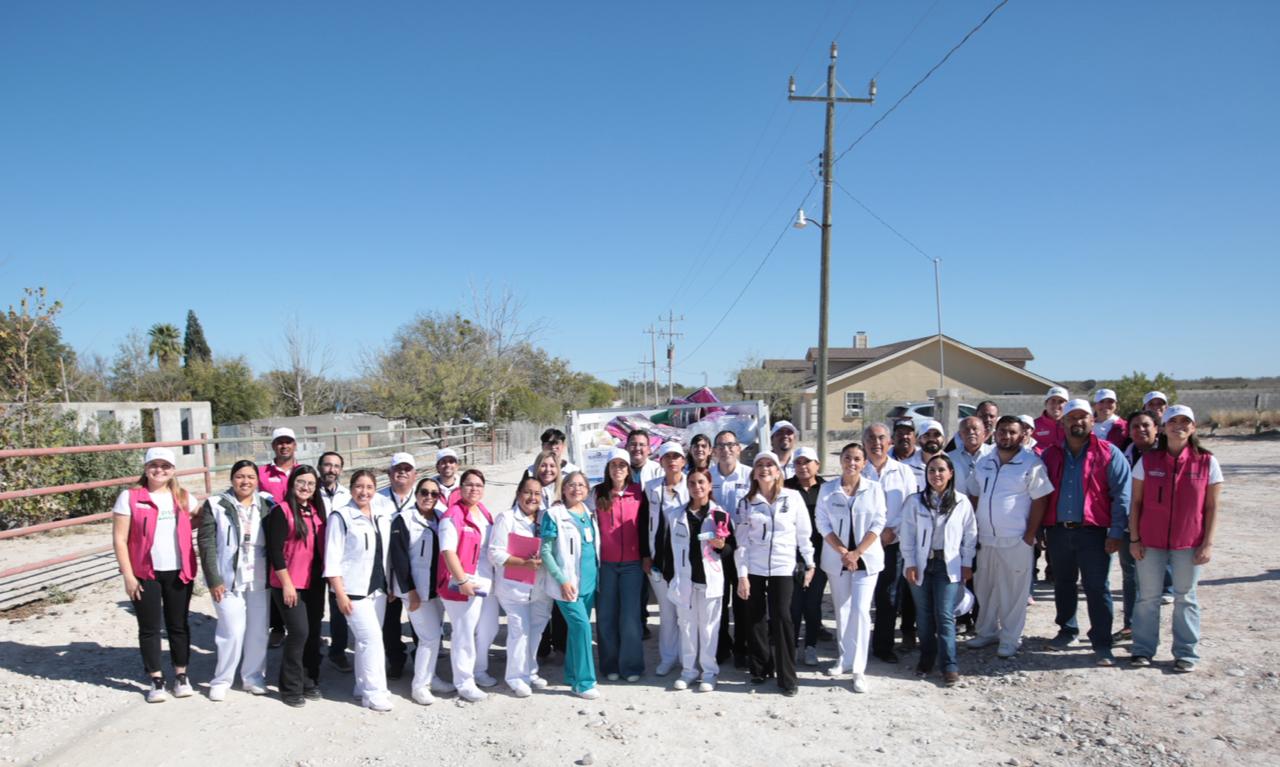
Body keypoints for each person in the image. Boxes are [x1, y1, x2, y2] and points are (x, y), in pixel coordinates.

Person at [1128, 406, 1222, 672]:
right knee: (1148, 597)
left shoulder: (1207, 462)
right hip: (1150, 541)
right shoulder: (1148, 461)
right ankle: (1142, 649)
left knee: (1185, 597)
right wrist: (1134, 538)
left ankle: (1186, 653)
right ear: (1163, 427)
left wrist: (1207, 543)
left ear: (1193, 427)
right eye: (1173, 421)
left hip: (1189, 543)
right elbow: (1136, 503)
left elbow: (1212, 507)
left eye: (1185, 421)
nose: (1178, 426)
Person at [1039, 399, 1131, 666]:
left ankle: (1101, 642)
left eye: (1083, 417)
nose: (1077, 422)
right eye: (1071, 418)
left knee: (1096, 587)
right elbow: (1040, 493)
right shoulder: (1050, 454)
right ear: (1063, 423)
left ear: (1092, 420)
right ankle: (1067, 630)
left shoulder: (1109, 453)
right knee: (1063, 583)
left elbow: (1121, 495)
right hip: (1058, 531)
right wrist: (1041, 527)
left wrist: (1116, 531)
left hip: (1094, 532)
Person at [111, 447, 199, 703]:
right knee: (149, 627)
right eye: (154, 465)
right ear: (146, 468)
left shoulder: (183, 497)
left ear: (173, 470)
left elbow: (200, 518)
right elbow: (119, 539)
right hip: (144, 572)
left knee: (178, 625)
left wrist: (186, 527)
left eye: (165, 466)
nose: (159, 470)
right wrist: (128, 575)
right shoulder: (130, 497)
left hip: (179, 570)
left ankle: (181, 675)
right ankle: (156, 679)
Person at [964, 416, 1054, 658]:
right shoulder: (984, 461)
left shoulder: (1031, 463)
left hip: (1016, 540)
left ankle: (1011, 638)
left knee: (1013, 593)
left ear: (1022, 435)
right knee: (985, 588)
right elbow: (974, 494)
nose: (1006, 436)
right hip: (985, 539)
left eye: (1012, 432)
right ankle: (986, 632)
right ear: (995, 434)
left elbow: (1040, 500)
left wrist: (1029, 535)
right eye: (1002, 431)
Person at [735, 451, 815, 696]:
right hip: (755, 567)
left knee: (782, 618)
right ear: (754, 473)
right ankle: (760, 668)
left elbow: (804, 534)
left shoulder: (792, 498)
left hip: (783, 566)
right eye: (760, 465)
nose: (764, 468)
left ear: (778, 471)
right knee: (756, 618)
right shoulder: (746, 502)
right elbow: (742, 542)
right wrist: (742, 575)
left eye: (770, 464)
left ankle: (787, 677)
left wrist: (809, 563)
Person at [198, 459, 275, 701]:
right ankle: (222, 680)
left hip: (259, 578)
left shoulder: (267, 504)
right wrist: (213, 579)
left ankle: (253, 677)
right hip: (227, 579)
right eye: (240, 476)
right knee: (231, 631)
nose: (245, 481)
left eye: (250, 477)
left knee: (258, 631)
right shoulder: (216, 504)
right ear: (232, 479)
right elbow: (207, 544)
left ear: (257, 480)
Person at [901, 454, 977, 687]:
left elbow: (970, 535)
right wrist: (910, 562)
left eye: (941, 470)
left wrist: (967, 562)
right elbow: (907, 534)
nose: (936, 474)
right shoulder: (915, 501)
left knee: (944, 615)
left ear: (951, 473)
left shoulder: (961, 502)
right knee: (924, 616)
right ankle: (927, 658)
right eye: (932, 470)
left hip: (948, 565)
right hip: (922, 564)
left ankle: (949, 665)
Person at [815, 443, 885, 693]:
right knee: (842, 611)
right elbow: (822, 523)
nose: (851, 463)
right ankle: (844, 658)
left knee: (860, 611)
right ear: (841, 460)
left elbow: (878, 522)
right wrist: (844, 552)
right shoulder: (827, 490)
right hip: (838, 559)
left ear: (864, 463)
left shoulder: (874, 489)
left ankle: (858, 669)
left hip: (866, 559)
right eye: (847, 458)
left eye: (857, 459)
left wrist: (857, 552)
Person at [323, 469, 394, 711]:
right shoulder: (341, 517)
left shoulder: (381, 516)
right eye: (359, 486)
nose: (364, 492)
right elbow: (332, 559)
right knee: (371, 640)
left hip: (378, 588)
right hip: (352, 590)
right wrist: (340, 594)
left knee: (368, 641)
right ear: (351, 488)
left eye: (369, 487)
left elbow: (385, 555)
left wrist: (390, 584)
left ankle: (362, 686)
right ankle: (374, 693)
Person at [264, 465, 327, 706]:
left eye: (311, 483)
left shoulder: (316, 511)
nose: (305, 487)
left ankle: (310, 680)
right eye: (301, 482)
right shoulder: (281, 511)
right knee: (299, 632)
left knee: (313, 632)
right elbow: (275, 552)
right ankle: (290, 687)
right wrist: (287, 584)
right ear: (292, 484)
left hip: (314, 583)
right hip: (289, 583)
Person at [668, 467, 734, 691]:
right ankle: (688, 670)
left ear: (709, 485)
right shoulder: (676, 515)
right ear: (687, 487)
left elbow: (730, 550)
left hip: (709, 580)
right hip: (685, 580)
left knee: (708, 629)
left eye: (701, 482)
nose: (697, 487)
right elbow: (667, 548)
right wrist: (670, 576)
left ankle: (709, 672)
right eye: (692, 483)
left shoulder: (720, 515)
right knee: (686, 627)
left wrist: (721, 546)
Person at [437, 468, 500, 701]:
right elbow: (447, 551)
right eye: (469, 484)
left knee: (489, 627)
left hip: (486, 580)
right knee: (464, 632)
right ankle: (464, 681)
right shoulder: (451, 515)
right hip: (462, 581)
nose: (474, 489)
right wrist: (462, 580)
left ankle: (479, 669)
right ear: (460, 488)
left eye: (479, 485)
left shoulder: (483, 511)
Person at [489, 475, 554, 696]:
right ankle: (515, 677)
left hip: (540, 587)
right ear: (518, 494)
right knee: (520, 632)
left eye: (537, 493)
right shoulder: (506, 518)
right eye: (528, 492)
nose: (532, 497)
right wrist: (522, 563)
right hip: (514, 587)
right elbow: (495, 553)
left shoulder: (545, 518)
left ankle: (530, 671)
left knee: (536, 631)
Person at [540, 471, 602, 699]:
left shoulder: (588, 513)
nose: (577, 489)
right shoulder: (553, 515)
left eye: (581, 485)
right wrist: (562, 580)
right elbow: (545, 552)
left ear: (587, 490)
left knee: (576, 631)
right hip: (567, 584)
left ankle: (572, 674)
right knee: (583, 628)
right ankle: (584, 683)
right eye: (571, 485)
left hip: (588, 583)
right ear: (564, 488)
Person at [389, 477, 451, 704]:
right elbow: (399, 559)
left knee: (435, 636)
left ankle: (431, 677)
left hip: (436, 590)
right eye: (424, 492)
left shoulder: (441, 518)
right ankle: (420, 686)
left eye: (434, 494)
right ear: (416, 494)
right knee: (429, 637)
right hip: (415, 591)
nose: (429, 497)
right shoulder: (403, 519)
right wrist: (411, 590)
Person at [862, 422, 919, 663]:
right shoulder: (858, 470)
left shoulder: (903, 472)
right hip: (862, 544)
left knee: (888, 597)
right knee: (861, 598)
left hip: (892, 542)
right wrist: (872, 535)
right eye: (871, 438)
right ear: (864, 443)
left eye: (881, 438)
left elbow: (910, 506)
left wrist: (891, 531)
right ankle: (856, 647)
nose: (876, 443)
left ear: (890, 442)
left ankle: (883, 646)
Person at [592, 447, 646, 682]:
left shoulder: (638, 492)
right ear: (607, 468)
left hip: (632, 564)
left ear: (628, 469)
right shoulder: (597, 493)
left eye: (622, 464)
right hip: (606, 564)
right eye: (613, 465)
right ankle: (609, 665)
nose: (618, 469)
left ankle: (631, 666)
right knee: (606, 616)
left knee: (630, 617)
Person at [1115, 409, 1167, 641]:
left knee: (1151, 581)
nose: (1141, 430)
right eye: (1135, 426)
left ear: (1157, 428)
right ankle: (1131, 625)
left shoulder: (1168, 455)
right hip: (1129, 526)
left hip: (1158, 527)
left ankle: (1148, 631)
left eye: (1146, 425)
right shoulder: (1121, 455)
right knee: (1130, 577)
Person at [641, 441, 689, 676]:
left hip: (685, 561)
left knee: (685, 613)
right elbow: (642, 523)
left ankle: (687, 659)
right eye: (667, 457)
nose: (672, 461)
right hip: (658, 560)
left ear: (684, 461)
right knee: (667, 612)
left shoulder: (692, 485)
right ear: (660, 461)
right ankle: (668, 658)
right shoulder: (651, 488)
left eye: (676, 456)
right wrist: (645, 555)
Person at [709, 429, 751, 665]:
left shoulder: (750, 475)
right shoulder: (708, 476)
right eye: (721, 445)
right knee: (719, 598)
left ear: (738, 448)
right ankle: (722, 645)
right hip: (716, 545)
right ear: (714, 451)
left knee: (743, 598)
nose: (726, 449)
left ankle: (743, 648)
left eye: (730, 445)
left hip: (743, 543)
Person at [784, 446, 827, 666]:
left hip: (819, 553)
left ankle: (810, 645)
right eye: (798, 462)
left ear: (817, 464)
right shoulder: (785, 487)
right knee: (794, 603)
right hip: (791, 552)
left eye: (807, 462)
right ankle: (791, 645)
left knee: (813, 602)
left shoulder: (827, 489)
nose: (802, 467)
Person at [378, 452, 418, 679]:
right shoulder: (377, 499)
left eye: (407, 469)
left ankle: (421, 659)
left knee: (419, 619)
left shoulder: (424, 497)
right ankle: (395, 660)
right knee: (389, 622)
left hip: (415, 571)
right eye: (397, 468)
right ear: (390, 473)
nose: (402, 472)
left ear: (415, 474)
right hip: (387, 570)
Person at [316, 451, 354, 672]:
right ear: (319, 467)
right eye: (327, 465)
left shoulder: (347, 495)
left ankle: (338, 651)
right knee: (314, 608)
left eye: (336, 466)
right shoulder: (310, 491)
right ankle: (312, 647)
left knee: (338, 606)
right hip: (313, 557)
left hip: (337, 558)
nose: (332, 470)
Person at [260, 427, 298, 648]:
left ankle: (305, 627)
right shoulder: (262, 473)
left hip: (298, 533)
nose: (284, 446)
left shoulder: (302, 471)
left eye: (288, 442)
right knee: (275, 576)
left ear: (294, 445)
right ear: (274, 446)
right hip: (271, 533)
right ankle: (277, 627)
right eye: (280, 442)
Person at [531, 449, 568, 661]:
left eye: (552, 466)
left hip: (559, 554)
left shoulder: (563, 491)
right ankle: (541, 647)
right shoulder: (530, 489)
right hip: (536, 554)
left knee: (560, 601)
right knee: (539, 602)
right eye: (543, 465)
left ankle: (561, 645)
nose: (547, 470)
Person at [947, 416, 992, 493]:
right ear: (960, 435)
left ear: (984, 433)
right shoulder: (950, 458)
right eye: (966, 429)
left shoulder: (993, 454)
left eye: (975, 429)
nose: (971, 432)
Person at [1033, 386, 1069, 456]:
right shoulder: (1033, 425)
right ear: (1046, 403)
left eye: (1061, 401)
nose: (1056, 405)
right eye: (1053, 401)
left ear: (1067, 405)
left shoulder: (1072, 425)